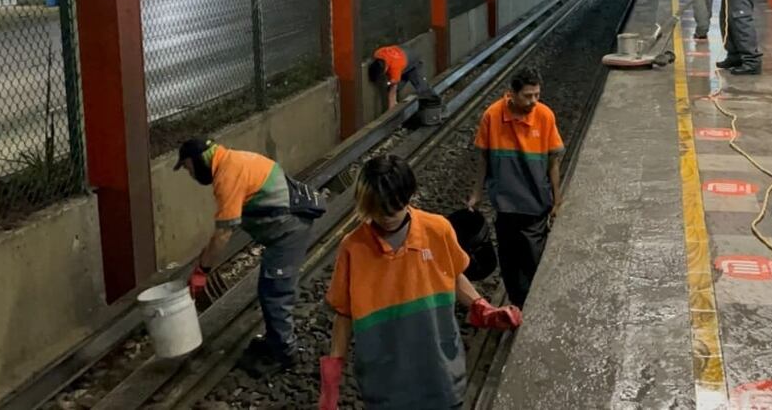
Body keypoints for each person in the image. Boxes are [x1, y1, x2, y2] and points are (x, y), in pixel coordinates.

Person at [318, 155, 521, 410]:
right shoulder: (353, 248)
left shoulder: (437, 229)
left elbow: (453, 276)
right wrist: (330, 383)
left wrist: (483, 308)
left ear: (409, 195)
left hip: (441, 376)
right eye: (378, 209)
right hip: (386, 385)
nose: (387, 216)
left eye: (394, 206)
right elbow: (344, 314)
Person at [175, 138, 313, 376]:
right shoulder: (233, 159)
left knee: (275, 291)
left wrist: (202, 271)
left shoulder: (227, 176)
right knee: (269, 288)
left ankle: (284, 354)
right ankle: (274, 340)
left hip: (289, 230)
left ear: (198, 160)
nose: (190, 174)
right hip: (288, 223)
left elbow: (223, 233)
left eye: (188, 167)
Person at [467, 67, 564, 307]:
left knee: (532, 261)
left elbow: (553, 162)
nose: (533, 101)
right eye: (528, 96)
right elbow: (483, 158)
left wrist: (557, 200)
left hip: (535, 205)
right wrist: (476, 193)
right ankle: (518, 304)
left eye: (537, 95)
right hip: (506, 206)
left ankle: (531, 305)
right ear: (511, 94)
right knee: (509, 263)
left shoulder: (545, 116)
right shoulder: (492, 116)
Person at [369, 44, 436, 109]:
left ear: (385, 69)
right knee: (395, 85)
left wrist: (391, 109)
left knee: (422, 87)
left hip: (413, 61)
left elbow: (393, 90)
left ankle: (437, 104)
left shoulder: (395, 67)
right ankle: (396, 106)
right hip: (403, 52)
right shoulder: (377, 53)